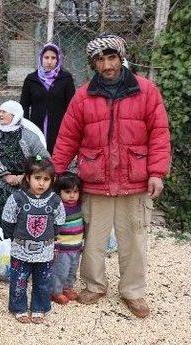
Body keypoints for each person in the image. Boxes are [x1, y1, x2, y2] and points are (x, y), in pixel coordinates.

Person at [52, 34, 171, 318]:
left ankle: (133, 292)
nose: (107, 65)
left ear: (121, 58)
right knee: (92, 237)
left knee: (134, 239)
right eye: (100, 60)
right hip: (95, 180)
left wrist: (156, 172)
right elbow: (68, 137)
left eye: (111, 58)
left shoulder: (147, 91)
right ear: (94, 64)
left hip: (136, 179)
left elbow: (159, 134)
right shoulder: (83, 96)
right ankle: (95, 284)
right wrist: (54, 173)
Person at [1, 156, 65, 324]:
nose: (41, 183)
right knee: (19, 280)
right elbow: (8, 220)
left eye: (46, 179)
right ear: (28, 178)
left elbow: (59, 222)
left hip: (44, 251)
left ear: (52, 180)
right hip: (20, 251)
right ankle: (18, 308)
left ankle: (39, 307)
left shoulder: (55, 201)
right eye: (37, 178)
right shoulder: (17, 199)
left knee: (43, 281)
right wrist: (14, 238)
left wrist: (50, 237)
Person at [0, 100, 49, 239]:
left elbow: (44, 159)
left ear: (14, 114)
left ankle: (24, 235)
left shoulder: (29, 136)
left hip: (26, 178)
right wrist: (6, 176)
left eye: (4, 111)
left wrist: (28, 175)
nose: (0, 114)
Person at [20, 43, 75, 154]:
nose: (49, 61)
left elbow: (72, 107)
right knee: (38, 158)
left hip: (59, 128)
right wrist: (24, 128)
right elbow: (24, 106)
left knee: (56, 160)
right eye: (46, 57)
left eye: (53, 58)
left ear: (58, 59)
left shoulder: (66, 79)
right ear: (41, 58)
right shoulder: (31, 79)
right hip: (36, 127)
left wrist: (70, 128)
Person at [50, 172, 84, 305]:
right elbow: (52, 227)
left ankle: (67, 288)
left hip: (76, 247)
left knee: (72, 270)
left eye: (75, 192)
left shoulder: (79, 206)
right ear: (59, 192)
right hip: (62, 248)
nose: (72, 195)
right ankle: (55, 291)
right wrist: (54, 244)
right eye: (68, 191)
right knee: (60, 271)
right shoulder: (58, 208)